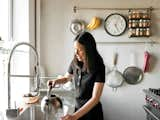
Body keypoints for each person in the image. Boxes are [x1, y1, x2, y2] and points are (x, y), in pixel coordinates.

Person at [47, 31, 105, 120]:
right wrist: (56, 81)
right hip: (78, 109)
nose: (76, 53)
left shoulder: (99, 67)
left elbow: (95, 98)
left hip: (92, 113)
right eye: (75, 49)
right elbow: (66, 78)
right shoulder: (75, 62)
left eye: (80, 49)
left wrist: (75, 116)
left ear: (89, 49)